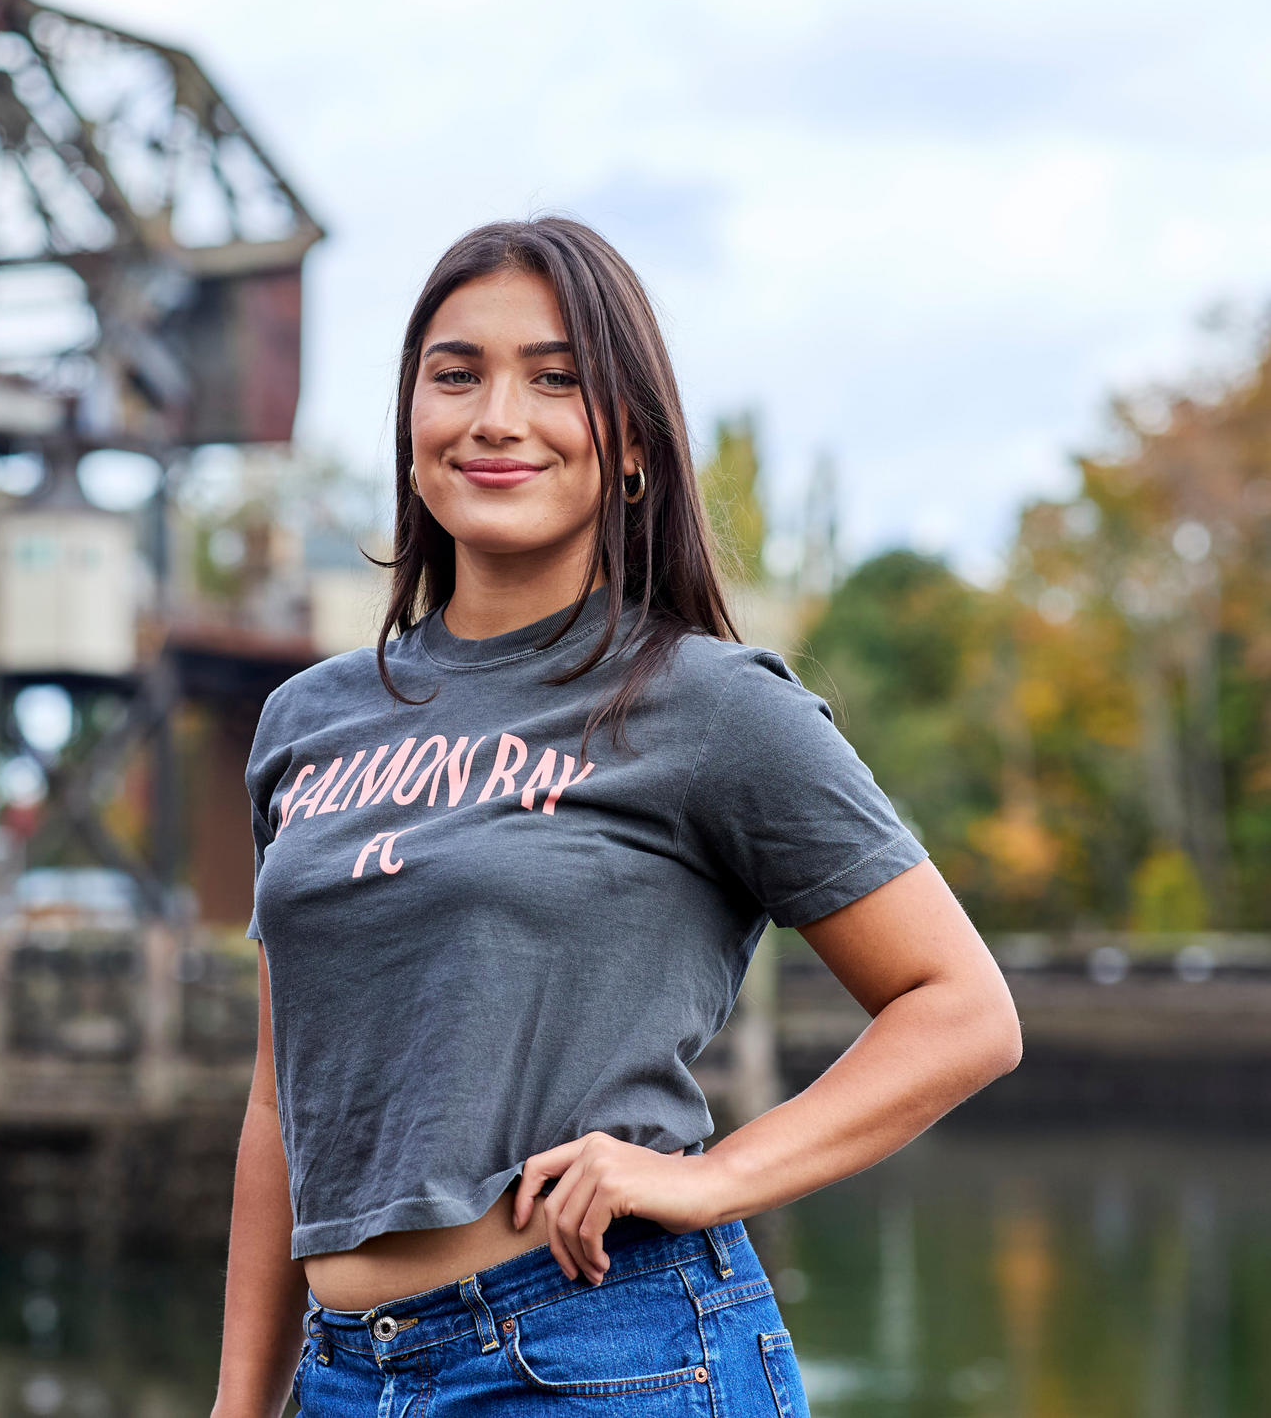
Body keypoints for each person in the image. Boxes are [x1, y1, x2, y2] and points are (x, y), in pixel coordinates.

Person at [212, 217, 1021, 1417]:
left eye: (555, 379)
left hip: (599, 1354)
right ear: (410, 424)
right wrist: (241, 1401)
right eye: (455, 373)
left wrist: (720, 1176)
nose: (496, 416)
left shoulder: (706, 704)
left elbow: (962, 1011)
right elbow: (285, 1101)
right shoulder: (307, 720)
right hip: (345, 1371)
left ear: (630, 442)